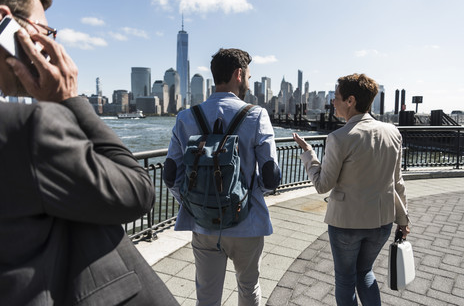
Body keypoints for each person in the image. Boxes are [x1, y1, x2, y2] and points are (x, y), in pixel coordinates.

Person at [0, 0, 178, 305]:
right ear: (4, 22)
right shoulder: (26, 130)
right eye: (43, 31)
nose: (50, 44)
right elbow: (138, 191)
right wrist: (69, 100)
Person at [164, 48, 281, 306]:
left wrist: (195, 202)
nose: (249, 81)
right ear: (239, 74)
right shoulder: (256, 114)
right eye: (248, 75)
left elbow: (171, 175)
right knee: (249, 289)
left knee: (206, 296)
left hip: (203, 224)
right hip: (247, 223)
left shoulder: (186, 117)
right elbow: (271, 177)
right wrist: (251, 193)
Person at [293, 73, 410, 306]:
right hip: (382, 222)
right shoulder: (393, 132)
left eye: (336, 97)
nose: (333, 102)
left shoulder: (339, 137)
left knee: (346, 279)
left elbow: (322, 185)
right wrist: (403, 220)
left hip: (346, 223)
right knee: (365, 272)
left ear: (351, 100)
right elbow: (398, 182)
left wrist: (308, 154)